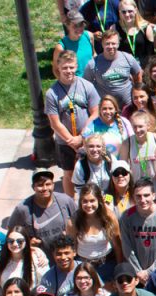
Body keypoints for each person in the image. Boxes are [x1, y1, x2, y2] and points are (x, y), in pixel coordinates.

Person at [46, 51, 101, 198]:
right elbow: (55, 122)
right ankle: (70, 204)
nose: (68, 71)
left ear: (76, 66)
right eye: (65, 68)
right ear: (58, 67)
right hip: (65, 142)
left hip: (87, 140)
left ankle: (91, 200)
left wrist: (82, 136)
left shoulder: (86, 86)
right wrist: (71, 140)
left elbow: (95, 112)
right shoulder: (52, 93)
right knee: (68, 173)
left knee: (90, 171)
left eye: (71, 67)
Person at [11, 170, 79, 249]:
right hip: (41, 259)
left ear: (53, 185)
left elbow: (80, 222)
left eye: (48, 184)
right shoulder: (22, 209)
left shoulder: (66, 200)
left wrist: (72, 233)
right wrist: (27, 242)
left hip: (66, 257)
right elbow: (11, 234)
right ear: (33, 187)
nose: (44, 188)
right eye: (40, 185)